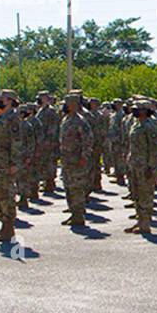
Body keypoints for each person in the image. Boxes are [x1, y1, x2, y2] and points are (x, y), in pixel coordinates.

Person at [0, 90, 23, 243]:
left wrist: (14, 163)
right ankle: (4, 226)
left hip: (6, 164)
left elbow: (16, 143)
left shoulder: (13, 119)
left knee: (7, 194)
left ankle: (9, 227)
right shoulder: (2, 116)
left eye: (2, 98)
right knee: (0, 194)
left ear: (10, 100)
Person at [124, 100, 157, 235]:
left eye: (137, 109)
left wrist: (152, 168)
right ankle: (140, 220)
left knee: (145, 194)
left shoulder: (150, 126)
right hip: (135, 165)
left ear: (145, 111)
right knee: (136, 194)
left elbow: (154, 149)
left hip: (145, 166)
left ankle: (145, 224)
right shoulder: (136, 124)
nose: (134, 111)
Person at [59, 92, 94, 227]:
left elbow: (88, 140)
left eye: (67, 103)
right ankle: (74, 213)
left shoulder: (80, 121)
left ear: (74, 105)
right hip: (67, 160)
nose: (65, 106)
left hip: (77, 160)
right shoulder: (66, 119)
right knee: (68, 187)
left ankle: (79, 215)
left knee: (77, 188)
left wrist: (84, 157)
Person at [36, 91, 60, 195]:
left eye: (41, 98)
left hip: (49, 141)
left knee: (50, 162)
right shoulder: (41, 110)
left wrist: (49, 140)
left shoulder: (51, 111)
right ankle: (47, 181)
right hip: (42, 140)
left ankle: (50, 183)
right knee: (44, 162)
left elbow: (53, 127)